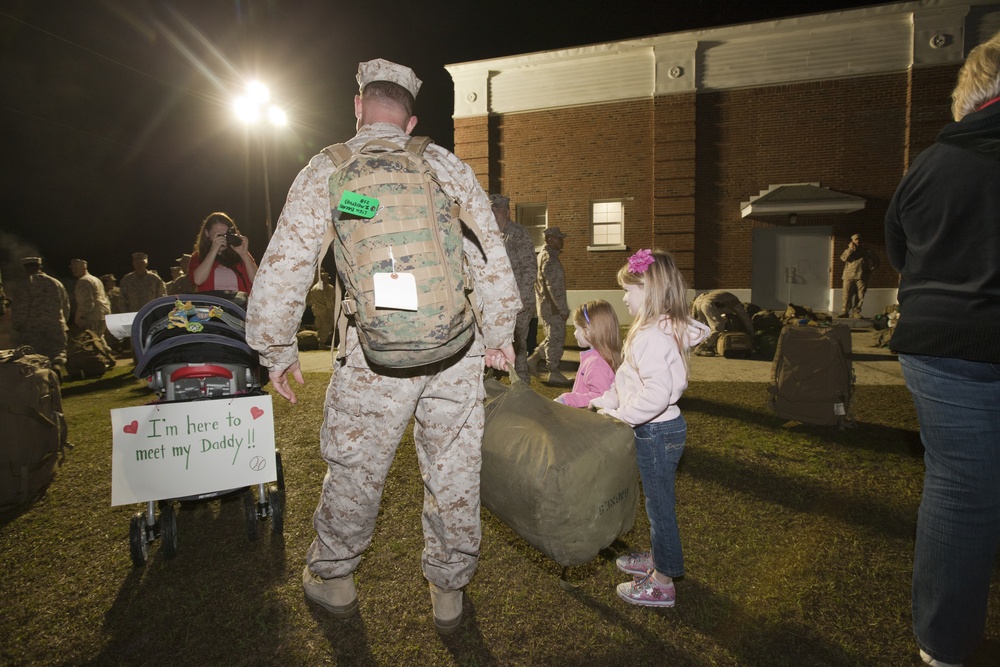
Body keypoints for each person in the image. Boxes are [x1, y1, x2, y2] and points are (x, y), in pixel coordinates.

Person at [245, 58, 519, 634]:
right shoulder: (443, 163)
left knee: (357, 469)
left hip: (374, 356)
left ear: (359, 105)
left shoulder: (330, 168)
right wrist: (499, 335)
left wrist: (275, 349)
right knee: (453, 472)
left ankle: (335, 578)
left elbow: (288, 264)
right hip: (456, 348)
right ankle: (448, 592)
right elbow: (488, 252)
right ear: (410, 116)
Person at [884, 31, 1000, 667]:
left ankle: (944, 645)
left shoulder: (927, 165)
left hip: (939, 344)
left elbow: (901, 251)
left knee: (960, 486)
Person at [590, 248, 710, 609]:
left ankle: (664, 579)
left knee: (660, 508)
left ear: (650, 289)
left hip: (656, 432)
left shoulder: (651, 337)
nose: (623, 297)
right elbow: (633, 382)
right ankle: (660, 559)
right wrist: (605, 403)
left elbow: (655, 394)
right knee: (656, 503)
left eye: (629, 289)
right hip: (661, 430)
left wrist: (621, 415)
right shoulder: (654, 329)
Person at [490, 194, 537, 385]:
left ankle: (521, 386)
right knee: (493, 344)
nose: (494, 214)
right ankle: (492, 385)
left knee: (518, 346)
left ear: (508, 212)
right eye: (491, 210)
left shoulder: (518, 234)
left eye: (499, 210)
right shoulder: (489, 236)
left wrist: (522, 301)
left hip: (518, 303)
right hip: (495, 304)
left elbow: (530, 268)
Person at [8, 256, 71, 375]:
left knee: (36, 356)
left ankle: (43, 379)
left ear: (26, 268)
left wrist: (18, 325)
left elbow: (21, 308)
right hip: (55, 324)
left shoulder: (23, 285)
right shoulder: (55, 282)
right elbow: (66, 304)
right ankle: (57, 366)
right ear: (40, 266)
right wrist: (63, 321)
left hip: (32, 328)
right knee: (57, 351)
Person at [526, 227, 572, 387]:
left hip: (548, 306)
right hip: (552, 307)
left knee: (551, 337)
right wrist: (562, 309)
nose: (562, 241)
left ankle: (533, 360)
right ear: (550, 239)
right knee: (556, 338)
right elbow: (553, 287)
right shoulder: (549, 259)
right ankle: (553, 372)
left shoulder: (544, 256)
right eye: (559, 238)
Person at [555, 299, 621, 406]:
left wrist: (568, 399)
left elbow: (600, 398)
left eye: (577, 329)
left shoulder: (596, 364)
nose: (574, 333)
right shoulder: (604, 356)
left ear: (589, 331)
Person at [189, 212, 257, 293]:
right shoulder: (198, 257)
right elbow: (197, 280)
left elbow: (257, 281)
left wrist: (244, 254)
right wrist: (213, 250)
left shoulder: (239, 255)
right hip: (212, 304)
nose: (223, 239)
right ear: (207, 233)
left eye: (225, 235)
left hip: (237, 304)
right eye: (218, 235)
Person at [689, 290, 753, 356]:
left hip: (699, 303)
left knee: (708, 328)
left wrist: (694, 313)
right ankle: (701, 347)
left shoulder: (728, 298)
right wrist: (751, 333)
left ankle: (705, 346)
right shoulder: (736, 304)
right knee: (718, 326)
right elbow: (745, 318)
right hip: (708, 304)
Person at [839, 233, 879, 317]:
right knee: (846, 295)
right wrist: (850, 249)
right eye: (856, 239)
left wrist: (870, 270)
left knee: (860, 295)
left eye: (859, 239)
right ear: (852, 241)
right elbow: (843, 258)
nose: (858, 241)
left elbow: (877, 262)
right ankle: (845, 311)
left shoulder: (866, 252)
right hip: (848, 276)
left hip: (861, 276)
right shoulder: (848, 251)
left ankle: (856, 312)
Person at [69, 258, 111, 335]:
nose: (73, 270)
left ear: (83, 268)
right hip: (102, 315)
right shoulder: (95, 279)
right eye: (72, 268)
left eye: (76, 268)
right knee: (99, 340)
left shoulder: (83, 281)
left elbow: (87, 303)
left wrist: (80, 317)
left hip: (91, 317)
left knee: (90, 342)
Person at [306, 269, 336, 349]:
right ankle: (322, 343)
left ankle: (319, 342)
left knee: (320, 327)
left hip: (316, 310)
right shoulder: (327, 288)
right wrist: (333, 311)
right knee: (326, 327)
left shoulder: (314, 287)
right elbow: (329, 301)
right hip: (325, 311)